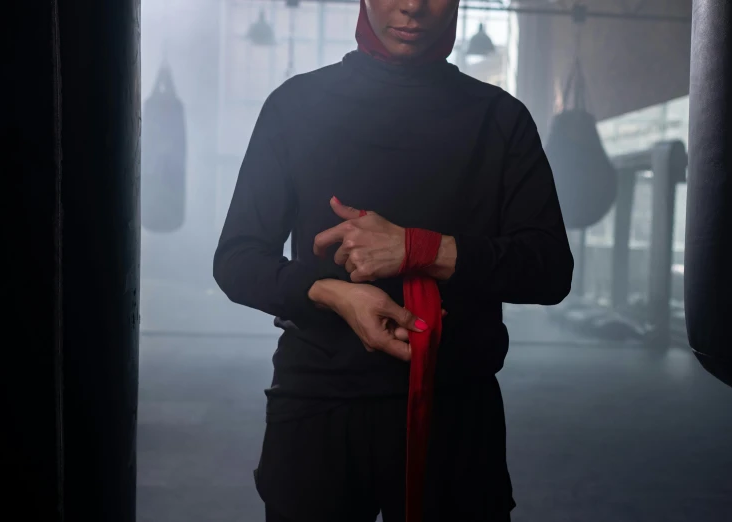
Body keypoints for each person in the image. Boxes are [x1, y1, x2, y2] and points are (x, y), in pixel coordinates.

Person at [213, 0, 574, 520]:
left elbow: (549, 269)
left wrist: (420, 249)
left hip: (456, 408)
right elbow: (238, 259)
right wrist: (333, 293)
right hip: (320, 403)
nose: (412, 5)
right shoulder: (296, 105)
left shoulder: (499, 118)